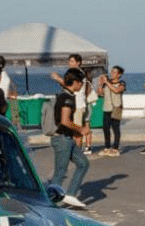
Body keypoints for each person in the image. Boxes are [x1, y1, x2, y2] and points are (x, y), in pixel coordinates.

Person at [51, 68, 90, 209]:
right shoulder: (67, 98)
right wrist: (80, 129)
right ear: (75, 82)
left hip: (67, 138)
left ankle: (70, 195)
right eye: (81, 82)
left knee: (83, 163)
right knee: (60, 172)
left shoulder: (66, 94)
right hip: (62, 139)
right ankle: (49, 202)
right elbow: (65, 120)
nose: (82, 85)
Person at [51, 54, 91, 153]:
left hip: (78, 104)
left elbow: (71, 85)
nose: (70, 63)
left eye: (72, 61)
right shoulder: (73, 73)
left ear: (78, 62)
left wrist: (58, 78)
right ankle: (75, 150)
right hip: (76, 104)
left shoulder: (79, 74)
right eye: (69, 61)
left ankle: (77, 151)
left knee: (77, 131)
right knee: (73, 129)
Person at [98, 65, 126, 156]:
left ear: (119, 74)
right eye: (111, 71)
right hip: (107, 108)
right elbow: (100, 93)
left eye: (114, 72)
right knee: (105, 128)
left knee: (115, 128)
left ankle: (115, 149)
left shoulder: (122, 83)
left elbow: (116, 90)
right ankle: (107, 147)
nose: (112, 73)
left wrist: (107, 82)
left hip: (116, 108)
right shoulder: (107, 83)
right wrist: (100, 84)